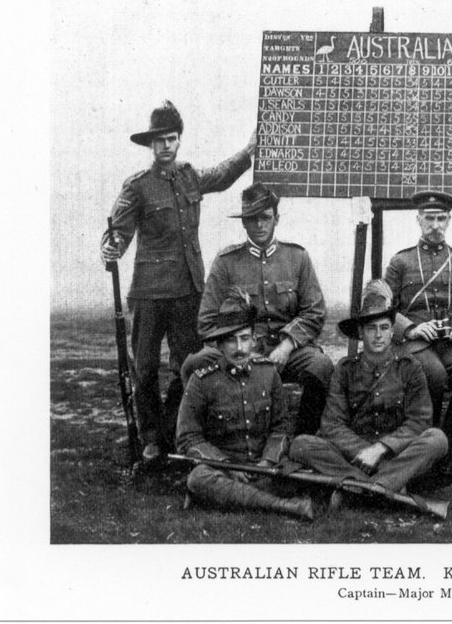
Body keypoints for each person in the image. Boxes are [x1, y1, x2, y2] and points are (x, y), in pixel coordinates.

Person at [101, 100, 257, 461]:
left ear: (178, 141)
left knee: (185, 365)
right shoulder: (137, 187)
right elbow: (117, 232)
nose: (166, 146)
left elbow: (222, 174)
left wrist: (249, 152)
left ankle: (173, 431)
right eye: (159, 141)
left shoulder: (190, 177)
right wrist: (111, 248)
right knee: (144, 367)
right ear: (150, 145)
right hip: (149, 293)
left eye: (171, 139)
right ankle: (150, 438)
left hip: (188, 291)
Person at [187, 184, 334, 436]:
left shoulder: (297, 257)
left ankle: (303, 438)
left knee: (321, 366)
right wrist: (243, 349)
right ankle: (207, 438)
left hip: (287, 351)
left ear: (276, 218)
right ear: (244, 223)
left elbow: (315, 311)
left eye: (265, 217)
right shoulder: (226, 263)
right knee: (195, 364)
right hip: (239, 349)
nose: (259, 225)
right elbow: (207, 322)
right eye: (252, 219)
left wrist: (287, 345)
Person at [289, 280, 448, 505]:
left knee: (437, 439)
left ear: (393, 331)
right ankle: (385, 486)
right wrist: (365, 451)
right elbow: (332, 425)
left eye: (384, 328)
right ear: (361, 333)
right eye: (371, 328)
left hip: (396, 454)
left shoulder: (410, 368)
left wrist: (382, 449)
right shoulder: (344, 370)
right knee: (301, 444)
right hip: (355, 457)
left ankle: (355, 490)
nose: (378, 335)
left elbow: (419, 422)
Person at [175, 291, 314, 520]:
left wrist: (267, 461)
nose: (239, 348)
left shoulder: (268, 373)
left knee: (296, 473)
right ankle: (285, 507)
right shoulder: (201, 381)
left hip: (264, 468)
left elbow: (280, 427)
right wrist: (227, 466)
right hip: (224, 470)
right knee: (199, 478)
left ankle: (235, 497)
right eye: (231, 340)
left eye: (244, 338)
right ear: (219, 344)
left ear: (253, 340)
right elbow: (188, 437)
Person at [384, 190, 452, 445]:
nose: (435, 226)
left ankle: (450, 437)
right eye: (430, 219)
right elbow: (383, 307)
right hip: (416, 343)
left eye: (441, 219)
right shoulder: (401, 262)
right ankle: (425, 438)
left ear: (449, 221)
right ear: (418, 219)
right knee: (433, 374)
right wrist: (410, 329)